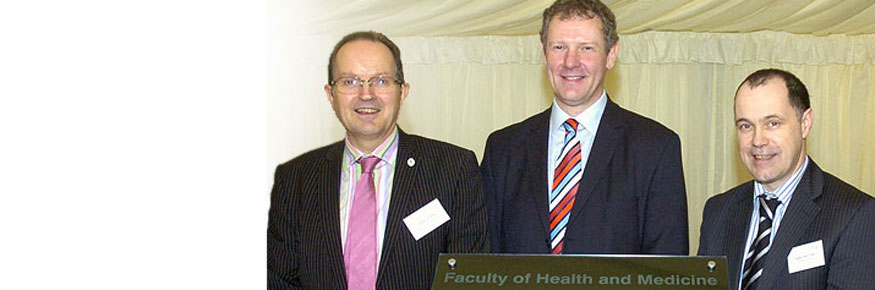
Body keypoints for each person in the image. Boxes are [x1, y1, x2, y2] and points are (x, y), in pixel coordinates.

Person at [267, 31, 489, 290]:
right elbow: (279, 278)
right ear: (330, 94)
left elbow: (468, 277)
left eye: (381, 81)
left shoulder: (454, 169)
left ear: (402, 91)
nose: (366, 94)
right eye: (350, 81)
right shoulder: (295, 178)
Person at [481, 0, 688, 255]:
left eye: (586, 48)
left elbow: (667, 266)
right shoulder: (502, 149)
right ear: (543, 52)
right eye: (559, 47)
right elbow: (484, 261)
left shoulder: (655, 148)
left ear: (611, 55)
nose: (570, 62)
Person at [698, 69, 875, 289]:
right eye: (746, 126)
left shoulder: (855, 214)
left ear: (805, 123)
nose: (757, 140)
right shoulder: (718, 211)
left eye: (772, 123)